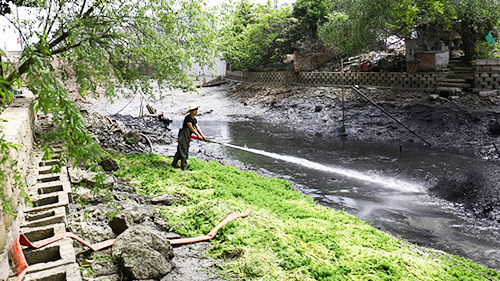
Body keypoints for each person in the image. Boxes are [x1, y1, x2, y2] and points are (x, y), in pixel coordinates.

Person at [172, 104, 208, 170]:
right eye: (195, 110)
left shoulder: (194, 119)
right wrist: (198, 136)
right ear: (191, 111)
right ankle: (184, 167)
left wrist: (203, 136)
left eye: (197, 110)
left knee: (180, 150)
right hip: (183, 135)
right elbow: (191, 128)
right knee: (184, 150)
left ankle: (174, 164)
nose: (196, 111)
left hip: (187, 136)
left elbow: (197, 128)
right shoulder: (187, 118)